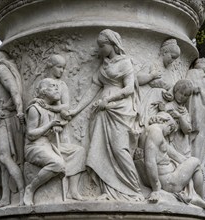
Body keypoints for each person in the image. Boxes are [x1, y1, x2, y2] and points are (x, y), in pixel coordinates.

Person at [61, 29, 144, 201]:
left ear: (112, 44)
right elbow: (92, 91)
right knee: (101, 150)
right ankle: (109, 190)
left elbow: (129, 88)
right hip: (101, 112)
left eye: (102, 45)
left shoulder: (125, 63)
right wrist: (75, 111)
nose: (99, 49)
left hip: (119, 110)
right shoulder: (103, 66)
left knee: (120, 149)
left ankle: (134, 189)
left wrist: (109, 98)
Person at [24, 78, 86, 206]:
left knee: (79, 151)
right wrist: (49, 125)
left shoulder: (50, 109)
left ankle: (72, 191)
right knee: (58, 164)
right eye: (53, 86)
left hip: (48, 144)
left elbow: (55, 125)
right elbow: (31, 134)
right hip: (34, 147)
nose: (57, 89)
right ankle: (31, 188)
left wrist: (55, 127)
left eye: (57, 86)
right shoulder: (35, 109)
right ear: (44, 91)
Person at [141, 111, 205, 208]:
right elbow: (150, 162)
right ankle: (200, 197)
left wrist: (186, 164)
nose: (169, 133)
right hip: (169, 182)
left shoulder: (150, 132)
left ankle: (193, 195)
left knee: (188, 163)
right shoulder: (156, 132)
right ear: (166, 123)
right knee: (196, 162)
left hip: (167, 178)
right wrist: (156, 189)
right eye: (170, 129)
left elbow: (176, 155)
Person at [0, 50, 25, 209]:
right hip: (0, 119)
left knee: (4, 157)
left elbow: (14, 90)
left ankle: (22, 192)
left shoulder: (1, 69)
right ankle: (6, 198)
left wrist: (19, 110)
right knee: (2, 162)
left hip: (6, 120)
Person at [186, 58, 205, 207]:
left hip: (203, 121)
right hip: (194, 117)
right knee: (192, 150)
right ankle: (192, 184)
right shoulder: (191, 73)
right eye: (203, 65)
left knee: (199, 152)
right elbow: (185, 88)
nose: (204, 67)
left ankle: (197, 186)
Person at [137, 39, 181, 126]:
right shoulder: (152, 64)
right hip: (151, 101)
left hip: (164, 106)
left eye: (175, 59)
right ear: (164, 52)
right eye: (172, 57)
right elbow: (138, 79)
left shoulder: (169, 72)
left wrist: (170, 95)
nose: (172, 61)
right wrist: (152, 76)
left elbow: (172, 88)